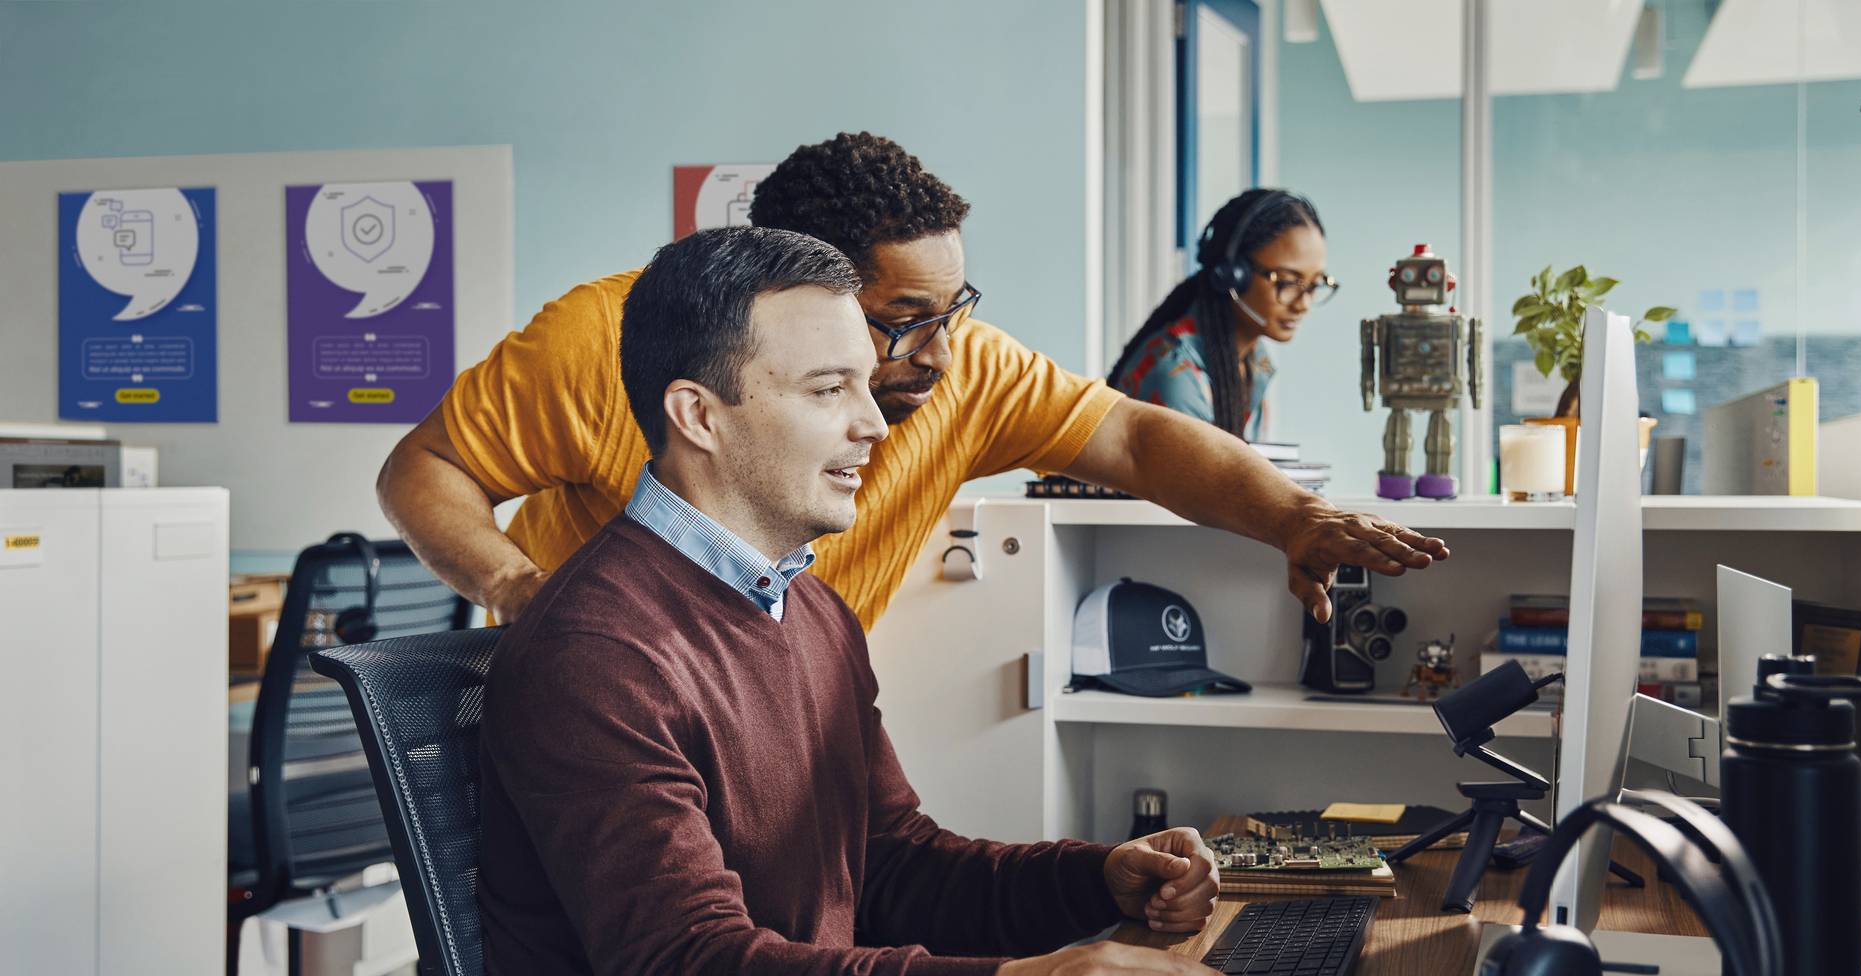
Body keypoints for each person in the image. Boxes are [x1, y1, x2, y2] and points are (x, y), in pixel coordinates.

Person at [478, 226, 1246, 976]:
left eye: (867, 385)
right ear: (698, 415)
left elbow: (891, 867)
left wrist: (1094, 878)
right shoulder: (596, 653)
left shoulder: (810, 612)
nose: (874, 423)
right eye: (828, 389)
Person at [377, 133, 1445, 633]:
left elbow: (1131, 438)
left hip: (784, 732)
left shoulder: (959, 366)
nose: (938, 357)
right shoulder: (601, 341)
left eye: (954, 311)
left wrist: (1295, 521)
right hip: (604, 734)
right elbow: (425, 469)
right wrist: (524, 592)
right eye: (900, 325)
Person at [1108, 188, 1336, 438]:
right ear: (1234, 275)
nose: (1303, 304)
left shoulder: (1254, 362)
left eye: (1315, 284)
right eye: (1287, 282)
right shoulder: (1177, 376)